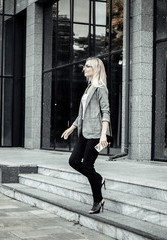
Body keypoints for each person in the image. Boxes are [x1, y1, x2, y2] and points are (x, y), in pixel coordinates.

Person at [61, 57, 111, 214]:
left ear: (95, 69)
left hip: (97, 134)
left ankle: (98, 200)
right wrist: (72, 127)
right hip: (84, 132)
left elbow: (106, 112)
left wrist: (104, 135)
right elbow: (82, 113)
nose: (84, 69)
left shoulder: (100, 88)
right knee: (74, 161)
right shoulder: (88, 87)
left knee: (88, 166)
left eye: (87, 66)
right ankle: (98, 179)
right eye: (85, 66)